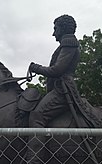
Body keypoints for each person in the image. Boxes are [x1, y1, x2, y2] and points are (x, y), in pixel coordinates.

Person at [24, 14, 81, 164]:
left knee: (37, 116)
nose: (53, 33)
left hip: (63, 90)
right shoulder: (65, 44)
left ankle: (34, 160)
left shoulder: (69, 42)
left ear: (63, 28)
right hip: (59, 88)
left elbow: (57, 70)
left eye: (55, 29)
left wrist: (36, 67)